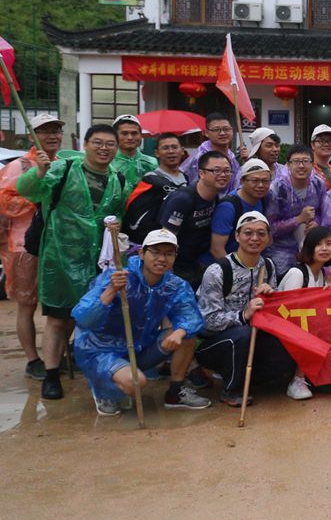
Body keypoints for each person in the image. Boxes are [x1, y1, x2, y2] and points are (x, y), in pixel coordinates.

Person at [17, 123, 128, 401]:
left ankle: (83, 365)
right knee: (57, 319)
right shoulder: (63, 169)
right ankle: (51, 375)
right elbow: (27, 190)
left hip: (96, 262)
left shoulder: (118, 178)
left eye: (110, 144)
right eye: (97, 142)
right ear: (85, 145)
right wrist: (39, 171)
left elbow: (117, 216)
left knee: (86, 317)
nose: (104, 148)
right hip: (60, 258)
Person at [72, 228, 208, 414]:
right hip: (101, 350)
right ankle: (103, 390)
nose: (162, 258)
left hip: (139, 347)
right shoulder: (117, 276)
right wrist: (111, 290)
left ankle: (175, 392)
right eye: (156, 252)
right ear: (142, 253)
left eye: (169, 253)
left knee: (186, 335)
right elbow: (84, 318)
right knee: (135, 382)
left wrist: (179, 332)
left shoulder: (175, 285)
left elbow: (190, 316)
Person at [194, 212, 298, 406]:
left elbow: (270, 313)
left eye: (261, 233)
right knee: (243, 334)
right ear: (237, 236)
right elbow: (207, 322)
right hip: (214, 342)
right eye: (248, 233)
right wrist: (243, 315)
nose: (254, 238)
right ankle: (231, 390)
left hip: (252, 337)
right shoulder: (217, 271)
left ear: (268, 239)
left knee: (283, 355)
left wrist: (270, 297)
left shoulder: (267, 266)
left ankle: (244, 377)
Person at [0, 112, 65, 380]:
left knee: (60, 305)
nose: (52, 135)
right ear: (32, 136)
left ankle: (56, 355)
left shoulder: (64, 164)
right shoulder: (19, 166)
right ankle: (32, 359)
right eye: (45, 131)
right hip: (24, 246)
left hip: (58, 245)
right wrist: (38, 190)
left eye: (56, 130)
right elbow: (5, 201)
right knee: (27, 304)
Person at [274, 225, 331, 400]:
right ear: (309, 247)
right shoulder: (297, 273)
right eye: (319, 244)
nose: (324, 248)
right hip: (284, 331)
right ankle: (297, 380)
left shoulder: (322, 274)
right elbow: (288, 311)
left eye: (329, 243)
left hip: (306, 329)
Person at [158, 149, 229, 289]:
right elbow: (166, 238)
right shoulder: (182, 199)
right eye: (216, 171)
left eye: (227, 171)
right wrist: (168, 279)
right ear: (201, 173)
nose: (223, 175)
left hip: (198, 264)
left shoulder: (215, 197)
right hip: (178, 268)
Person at [122, 132, 190, 250]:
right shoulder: (150, 180)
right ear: (157, 153)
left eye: (174, 147)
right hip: (156, 243)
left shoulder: (186, 178)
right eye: (165, 148)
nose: (171, 151)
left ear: (182, 150)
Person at [267, 144, 324, 276]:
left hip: (311, 247)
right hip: (281, 251)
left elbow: (323, 213)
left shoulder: (318, 184)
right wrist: (298, 219)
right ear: (288, 165)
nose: (301, 166)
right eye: (296, 161)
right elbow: (270, 228)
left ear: (312, 164)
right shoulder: (277, 190)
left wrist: (317, 222)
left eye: (306, 161)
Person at [210, 159, 272, 260]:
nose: (260, 185)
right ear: (242, 181)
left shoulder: (263, 200)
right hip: (224, 263)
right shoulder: (228, 207)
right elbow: (217, 249)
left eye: (265, 181)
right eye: (254, 181)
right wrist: (236, 268)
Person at [181, 111, 242, 192]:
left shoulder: (232, 156)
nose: (222, 133)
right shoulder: (199, 157)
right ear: (206, 133)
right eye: (216, 129)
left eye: (226, 129)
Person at [111, 114, 158, 191]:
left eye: (134, 133)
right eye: (124, 133)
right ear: (114, 136)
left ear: (141, 136)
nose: (130, 137)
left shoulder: (151, 163)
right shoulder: (108, 162)